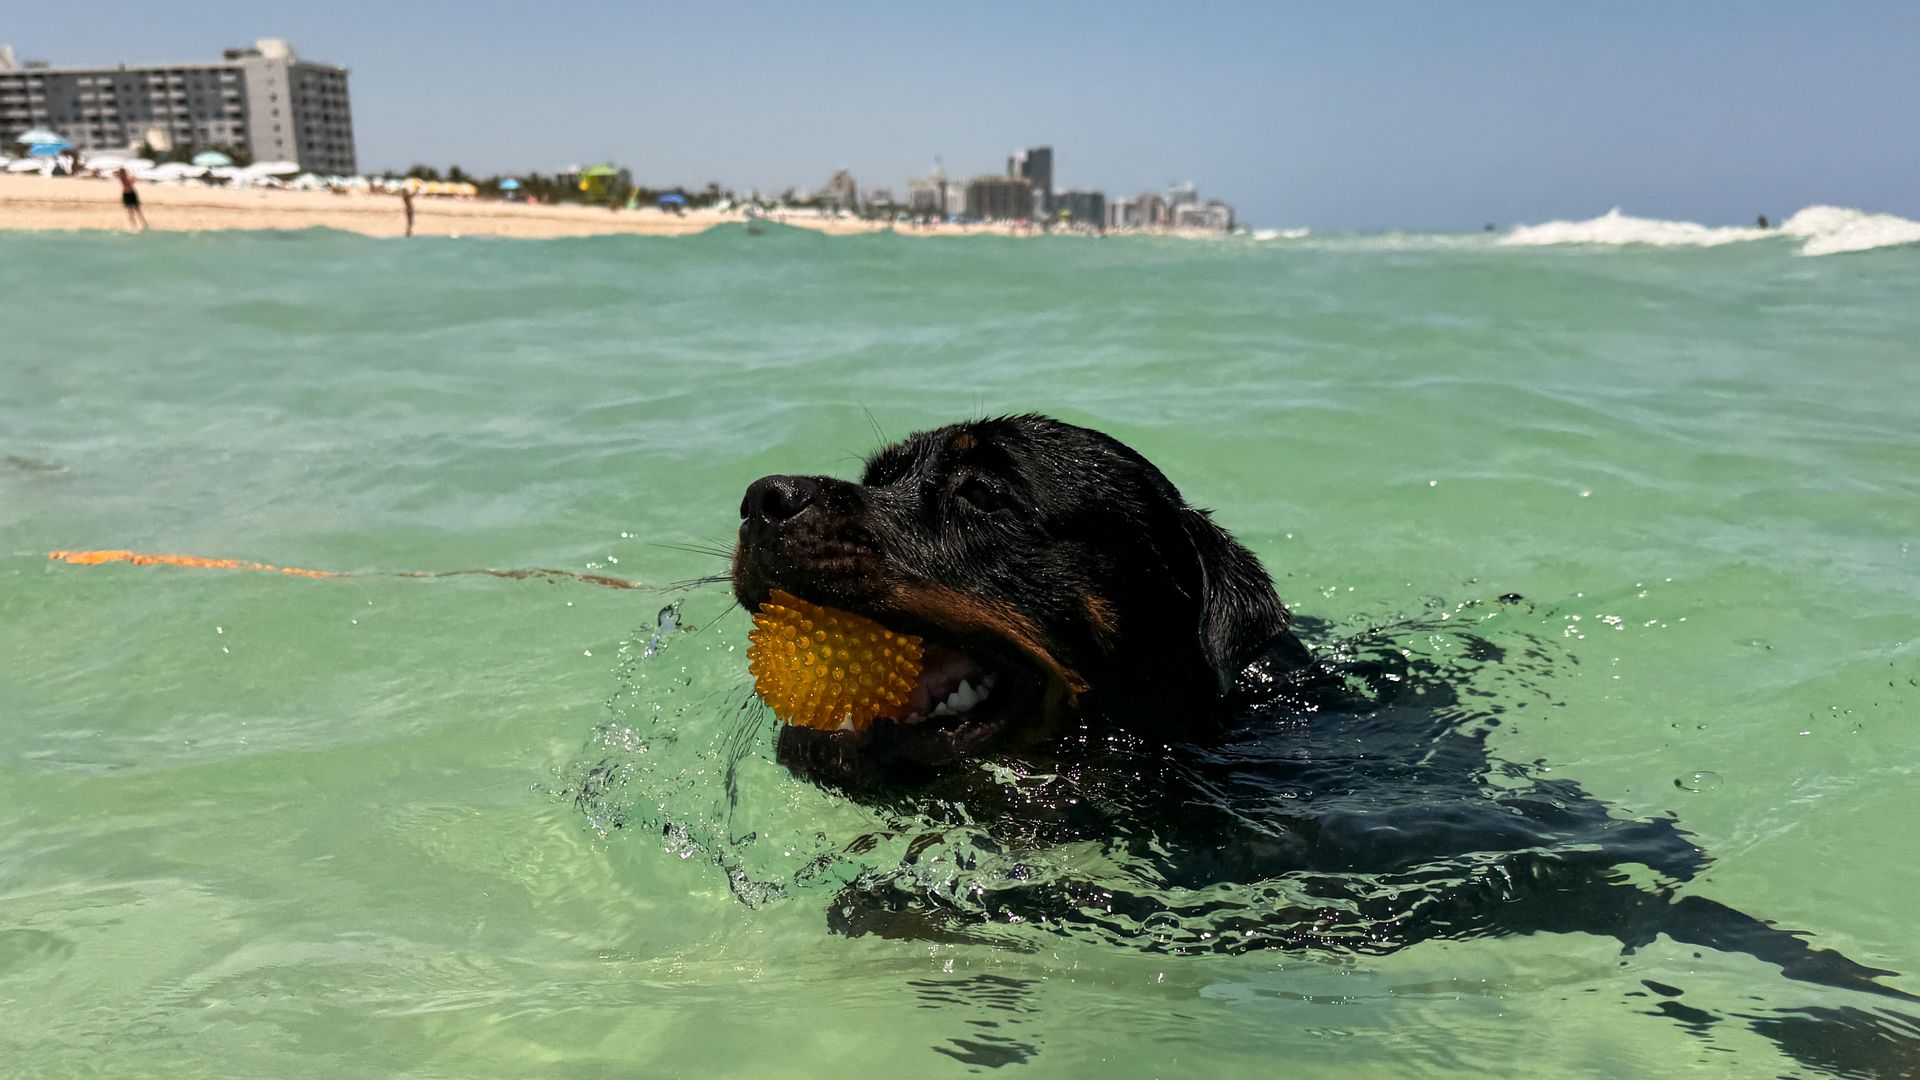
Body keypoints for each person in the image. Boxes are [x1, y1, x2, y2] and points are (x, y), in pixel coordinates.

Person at [116, 167, 147, 232]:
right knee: (130, 212)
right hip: (126, 195)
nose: (122, 174)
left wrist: (132, 178)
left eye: (123, 172)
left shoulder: (128, 177)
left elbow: (132, 182)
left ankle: (144, 224)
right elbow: (115, 173)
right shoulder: (121, 177)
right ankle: (134, 226)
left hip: (132, 194)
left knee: (137, 210)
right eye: (121, 173)